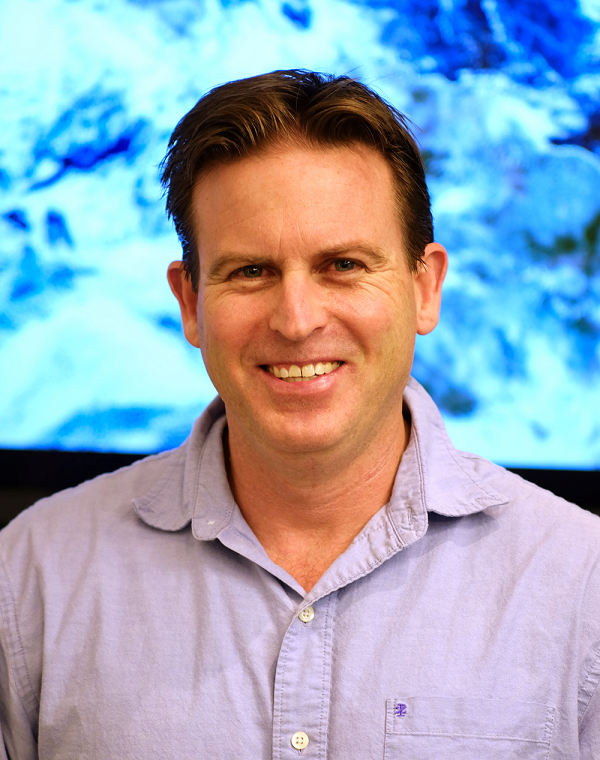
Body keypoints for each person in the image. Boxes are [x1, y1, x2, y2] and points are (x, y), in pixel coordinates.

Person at [0, 69, 598, 760]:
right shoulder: (31, 579)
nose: (297, 319)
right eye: (250, 271)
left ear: (424, 288)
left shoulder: (582, 585)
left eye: (342, 264)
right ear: (191, 303)